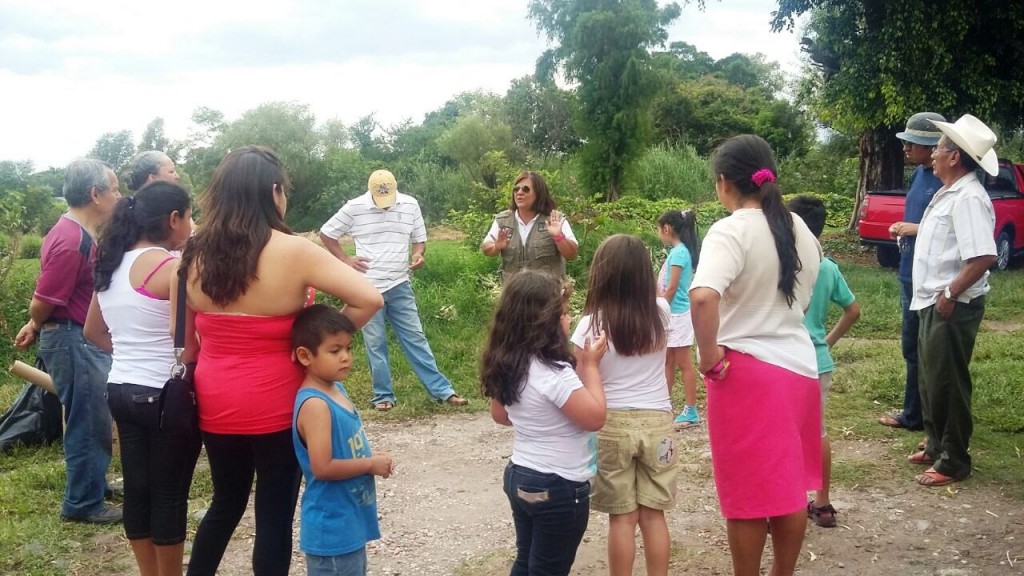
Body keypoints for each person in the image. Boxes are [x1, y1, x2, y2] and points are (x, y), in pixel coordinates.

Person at [175, 146, 382, 576]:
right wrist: (322, 344)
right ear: (273, 192)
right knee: (273, 514)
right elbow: (370, 297)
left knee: (225, 502)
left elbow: (187, 340)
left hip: (215, 399)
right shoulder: (293, 250)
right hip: (277, 401)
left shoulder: (193, 253)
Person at [689, 135, 821, 576]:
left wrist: (708, 358)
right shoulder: (799, 228)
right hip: (800, 369)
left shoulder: (730, 229)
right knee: (788, 489)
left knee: (747, 496)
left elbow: (704, 297)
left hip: (747, 374)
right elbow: (801, 299)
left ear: (724, 182)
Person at [83, 182, 200, 574]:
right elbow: (186, 343)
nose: (192, 223)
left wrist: (131, 355)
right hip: (163, 395)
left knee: (138, 489)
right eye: (189, 216)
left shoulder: (111, 263)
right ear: (174, 219)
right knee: (169, 494)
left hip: (120, 388)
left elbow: (93, 333)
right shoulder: (171, 268)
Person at [13, 158, 122, 524]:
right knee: (86, 420)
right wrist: (36, 319)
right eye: (115, 189)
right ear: (95, 194)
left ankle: (93, 484)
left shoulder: (77, 233)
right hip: (73, 339)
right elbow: (43, 300)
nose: (119, 196)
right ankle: (82, 502)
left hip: (74, 335)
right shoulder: (71, 240)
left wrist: (34, 324)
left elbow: (53, 298)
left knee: (94, 415)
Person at [481, 270, 607, 576]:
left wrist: (537, 418)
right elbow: (595, 418)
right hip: (560, 484)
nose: (568, 320)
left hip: (521, 475)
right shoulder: (555, 373)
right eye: (563, 314)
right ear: (544, 321)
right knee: (549, 568)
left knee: (526, 561)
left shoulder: (508, 361)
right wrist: (590, 366)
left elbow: (500, 415)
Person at [570, 234, 678, 576]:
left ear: (601, 273)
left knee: (622, 517)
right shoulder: (660, 312)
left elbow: (579, 378)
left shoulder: (590, 323)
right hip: (658, 421)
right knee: (653, 514)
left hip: (611, 423)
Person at [319, 169, 467, 412]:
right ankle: (383, 396)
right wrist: (345, 260)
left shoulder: (410, 205)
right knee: (375, 342)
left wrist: (418, 254)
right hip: (366, 288)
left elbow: (419, 239)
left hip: (400, 283)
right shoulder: (354, 207)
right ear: (370, 193)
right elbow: (327, 233)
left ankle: (442, 391)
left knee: (415, 337)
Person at [908, 114, 998, 487]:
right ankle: (935, 445)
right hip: (932, 299)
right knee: (930, 380)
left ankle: (954, 460)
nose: (933, 154)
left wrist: (950, 293)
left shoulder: (969, 198)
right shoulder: (951, 191)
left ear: (955, 157)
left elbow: (983, 256)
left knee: (948, 382)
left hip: (951, 303)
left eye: (940, 148)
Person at [291, 304, 394, 576]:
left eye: (348, 348)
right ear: (305, 356)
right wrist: (370, 464)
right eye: (334, 351)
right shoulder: (315, 404)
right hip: (332, 530)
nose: (346, 357)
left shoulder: (336, 388)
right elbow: (322, 467)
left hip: (348, 521)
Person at [787, 195, 861, 529]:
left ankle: (785, 503)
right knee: (817, 431)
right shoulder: (827, 266)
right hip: (818, 361)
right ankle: (823, 502)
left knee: (784, 434)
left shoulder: (787, 264)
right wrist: (827, 341)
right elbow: (853, 310)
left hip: (786, 359)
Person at [878, 112, 947, 433]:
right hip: (909, 272)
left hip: (931, 278)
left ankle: (922, 416)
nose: (906, 148)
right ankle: (915, 412)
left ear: (933, 146)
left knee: (927, 349)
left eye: (913, 143)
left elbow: (949, 226)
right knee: (911, 346)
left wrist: (914, 228)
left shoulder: (946, 182)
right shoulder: (920, 175)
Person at [480, 171, 579, 282]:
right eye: (516, 189)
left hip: (549, 294)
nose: (519, 193)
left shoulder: (555, 219)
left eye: (526, 189)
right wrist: (496, 247)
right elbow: (486, 248)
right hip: (513, 293)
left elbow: (572, 254)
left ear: (539, 193)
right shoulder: (503, 220)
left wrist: (558, 237)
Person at [656, 209, 701, 428]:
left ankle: (691, 410)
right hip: (672, 314)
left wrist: (660, 307)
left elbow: (672, 287)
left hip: (678, 315)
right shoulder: (678, 252)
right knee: (668, 361)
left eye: (659, 229)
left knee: (683, 362)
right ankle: (664, 404)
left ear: (666, 228)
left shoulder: (679, 253)